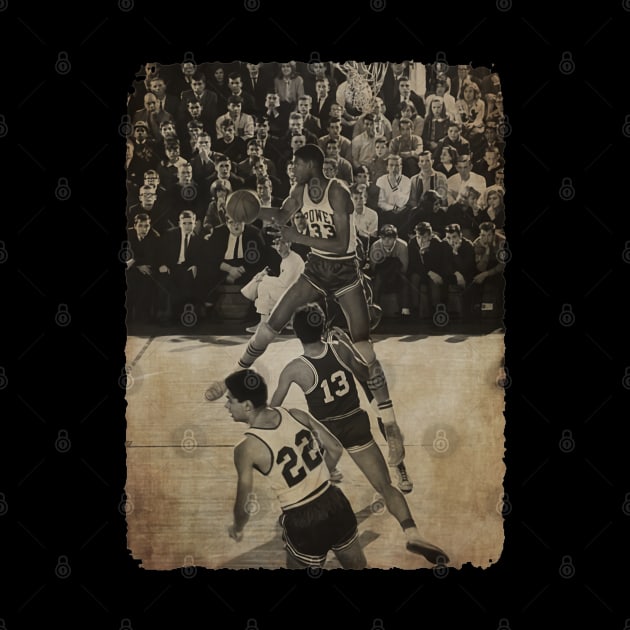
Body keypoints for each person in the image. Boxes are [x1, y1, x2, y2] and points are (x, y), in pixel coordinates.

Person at [205, 144, 407, 469]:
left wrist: (297, 238)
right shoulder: (298, 190)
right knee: (272, 323)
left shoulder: (338, 191)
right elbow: (282, 215)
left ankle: (391, 423)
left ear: (311, 164)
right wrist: (252, 211)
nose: (291, 170)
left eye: (296, 165)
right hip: (316, 270)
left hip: (344, 273)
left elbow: (341, 243)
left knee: (364, 350)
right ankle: (234, 374)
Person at [270, 304, 450, 563]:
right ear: (323, 327)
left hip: (326, 432)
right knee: (385, 486)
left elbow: (274, 410)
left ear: (295, 332)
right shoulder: (340, 347)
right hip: (355, 423)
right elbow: (365, 374)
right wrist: (353, 348)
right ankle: (412, 532)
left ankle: (303, 521)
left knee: (305, 485)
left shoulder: (294, 369)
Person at [224, 368, 367, 569]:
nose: (226, 405)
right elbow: (334, 449)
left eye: (230, 400)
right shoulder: (296, 414)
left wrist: (237, 527)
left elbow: (245, 502)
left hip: (303, 520)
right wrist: (315, 479)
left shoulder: (246, 449)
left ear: (247, 405)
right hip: (336, 503)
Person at [241, 238, 305, 333]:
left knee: (263, 286)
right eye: (277, 244)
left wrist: (264, 278)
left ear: (289, 243)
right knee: (264, 286)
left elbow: (284, 283)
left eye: (282, 243)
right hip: (291, 293)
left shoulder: (293, 259)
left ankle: (263, 324)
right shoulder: (286, 258)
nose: (279, 247)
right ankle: (267, 324)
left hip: (296, 296)